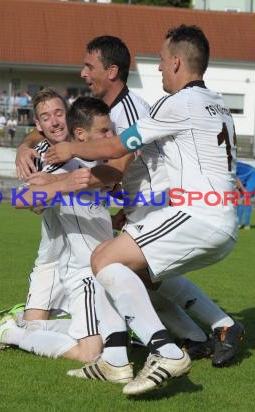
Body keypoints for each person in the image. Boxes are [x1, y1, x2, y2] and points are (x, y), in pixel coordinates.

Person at [45, 25, 239, 396]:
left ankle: (165, 351)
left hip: (197, 215)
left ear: (178, 62)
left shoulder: (178, 102)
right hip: (216, 218)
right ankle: (119, 359)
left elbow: (119, 146)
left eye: (163, 61)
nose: (160, 68)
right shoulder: (217, 102)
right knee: (117, 267)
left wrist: (71, 150)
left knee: (104, 260)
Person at [0, 96, 127, 366]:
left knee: (97, 335)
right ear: (38, 124)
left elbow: (112, 172)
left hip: (92, 256)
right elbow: (22, 200)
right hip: (65, 261)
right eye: (46, 118)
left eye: (59, 113)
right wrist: (62, 184)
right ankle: (13, 330)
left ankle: (22, 328)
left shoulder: (87, 145)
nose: (55, 121)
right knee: (91, 349)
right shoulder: (47, 159)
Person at [235, 161, 255, 230]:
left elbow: (236, 179)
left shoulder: (229, 164)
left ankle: (247, 224)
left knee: (246, 199)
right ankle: (239, 223)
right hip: (243, 177)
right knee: (240, 201)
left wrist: (243, 189)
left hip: (253, 175)